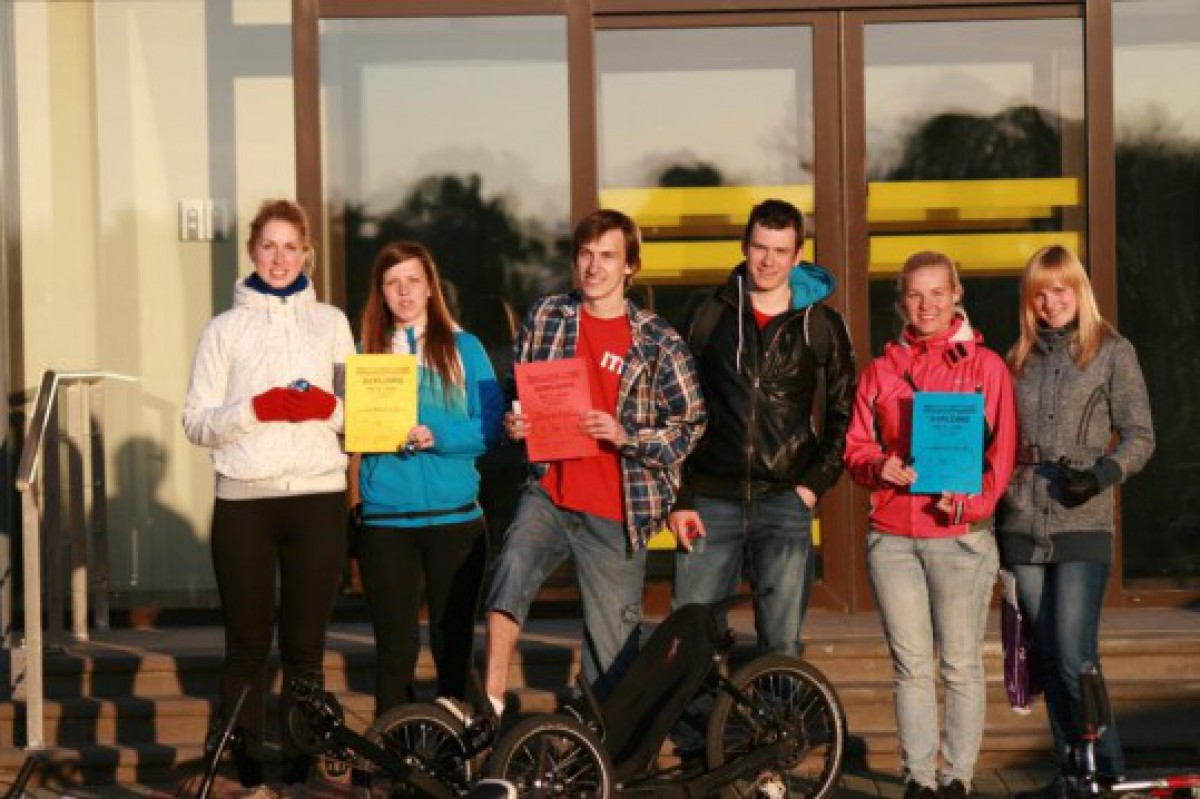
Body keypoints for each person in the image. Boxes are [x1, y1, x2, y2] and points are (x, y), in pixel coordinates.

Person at [484, 209, 707, 716]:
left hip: (617, 507)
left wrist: (627, 435)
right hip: (551, 489)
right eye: (586, 254)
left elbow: (691, 423)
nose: (593, 266)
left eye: (607, 256)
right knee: (511, 568)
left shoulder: (658, 341)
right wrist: (514, 423)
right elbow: (514, 391)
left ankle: (601, 747)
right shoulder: (546, 316)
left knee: (612, 660)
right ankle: (491, 701)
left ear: (630, 266)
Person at [183, 198, 355, 789]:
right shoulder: (223, 330)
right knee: (248, 646)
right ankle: (250, 774)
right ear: (253, 250)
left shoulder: (331, 322)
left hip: (318, 498)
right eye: (269, 246)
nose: (280, 259)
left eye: (291, 247)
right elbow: (196, 422)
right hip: (244, 503)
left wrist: (325, 406)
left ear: (307, 252)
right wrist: (256, 408)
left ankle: (302, 775)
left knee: (305, 647)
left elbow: (362, 416)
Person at [844, 250, 1016, 799]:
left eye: (937, 292)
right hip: (893, 537)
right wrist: (879, 465)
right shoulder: (880, 369)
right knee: (911, 666)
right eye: (916, 294)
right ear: (902, 301)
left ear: (956, 295)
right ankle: (918, 778)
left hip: (960, 537)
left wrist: (973, 502)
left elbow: (1003, 452)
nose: (927, 305)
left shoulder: (986, 367)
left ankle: (958, 776)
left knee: (960, 665)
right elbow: (856, 445)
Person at [997, 245, 1154, 798]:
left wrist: (1103, 473)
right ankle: (1070, 773)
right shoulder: (1016, 359)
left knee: (1073, 654)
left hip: (1081, 519)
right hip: (1022, 520)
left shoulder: (1112, 351)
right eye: (1040, 293)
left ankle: (1103, 771)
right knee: (1046, 655)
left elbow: (1141, 435)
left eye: (1060, 290)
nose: (1051, 302)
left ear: (1079, 290)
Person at [667, 198, 856, 655]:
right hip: (709, 500)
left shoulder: (821, 324)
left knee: (781, 643)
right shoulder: (707, 313)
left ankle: (777, 708)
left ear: (798, 255)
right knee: (691, 637)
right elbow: (669, 405)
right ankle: (696, 708)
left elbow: (845, 413)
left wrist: (811, 486)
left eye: (780, 250)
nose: (768, 261)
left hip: (785, 501)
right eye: (760, 247)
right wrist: (681, 495)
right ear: (744, 246)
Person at [350, 241, 505, 716]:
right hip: (386, 523)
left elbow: (490, 424)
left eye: (413, 280)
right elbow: (350, 430)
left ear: (431, 287)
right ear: (380, 293)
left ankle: (454, 750)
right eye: (392, 283)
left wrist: (438, 435)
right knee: (394, 653)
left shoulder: (465, 347)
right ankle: (392, 753)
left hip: (455, 521)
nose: (404, 292)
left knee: (452, 646)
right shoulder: (365, 353)